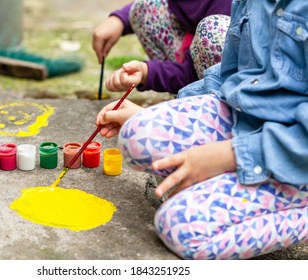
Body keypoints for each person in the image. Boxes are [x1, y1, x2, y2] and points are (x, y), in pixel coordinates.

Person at [95, 0, 308, 259]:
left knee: (179, 226)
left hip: (295, 157)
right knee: (137, 135)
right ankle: (233, 190)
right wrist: (159, 112)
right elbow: (229, 76)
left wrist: (230, 155)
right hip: (247, 118)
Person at [92, 0, 232, 94]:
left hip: (228, 82)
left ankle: (208, 109)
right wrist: (119, 20)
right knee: (145, 7)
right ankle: (183, 95)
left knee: (213, 30)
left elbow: (191, 74)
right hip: (197, 58)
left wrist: (147, 72)